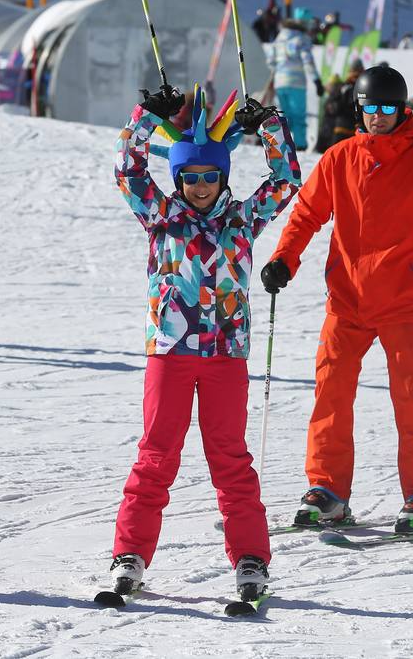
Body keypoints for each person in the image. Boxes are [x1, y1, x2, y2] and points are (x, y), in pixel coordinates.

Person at [106, 82, 300, 605]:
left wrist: (269, 126)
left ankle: (251, 558)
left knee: (230, 459)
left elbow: (286, 180)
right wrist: (146, 116)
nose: (199, 186)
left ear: (222, 176)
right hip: (169, 353)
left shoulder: (243, 219)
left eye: (209, 176)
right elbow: (128, 170)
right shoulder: (160, 216)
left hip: (224, 356)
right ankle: (130, 554)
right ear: (178, 179)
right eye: (189, 177)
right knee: (155, 456)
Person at [259, 65, 413, 533]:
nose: (378, 116)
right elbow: (306, 215)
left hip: (404, 302)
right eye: (370, 107)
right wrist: (283, 260)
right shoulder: (339, 159)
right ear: (359, 109)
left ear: (402, 110)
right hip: (347, 300)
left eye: (388, 108)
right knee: (330, 393)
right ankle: (327, 490)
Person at [267, 8, 325, 150]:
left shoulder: (280, 37)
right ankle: (300, 144)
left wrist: (276, 74)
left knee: (285, 116)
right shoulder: (302, 38)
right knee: (299, 116)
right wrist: (316, 80)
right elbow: (307, 61)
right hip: (297, 83)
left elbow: (271, 61)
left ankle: (285, 143)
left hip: (280, 82)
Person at [317, 57, 365, 154]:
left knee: (338, 155)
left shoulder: (343, 87)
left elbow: (332, 108)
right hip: (356, 130)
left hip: (341, 129)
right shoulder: (364, 87)